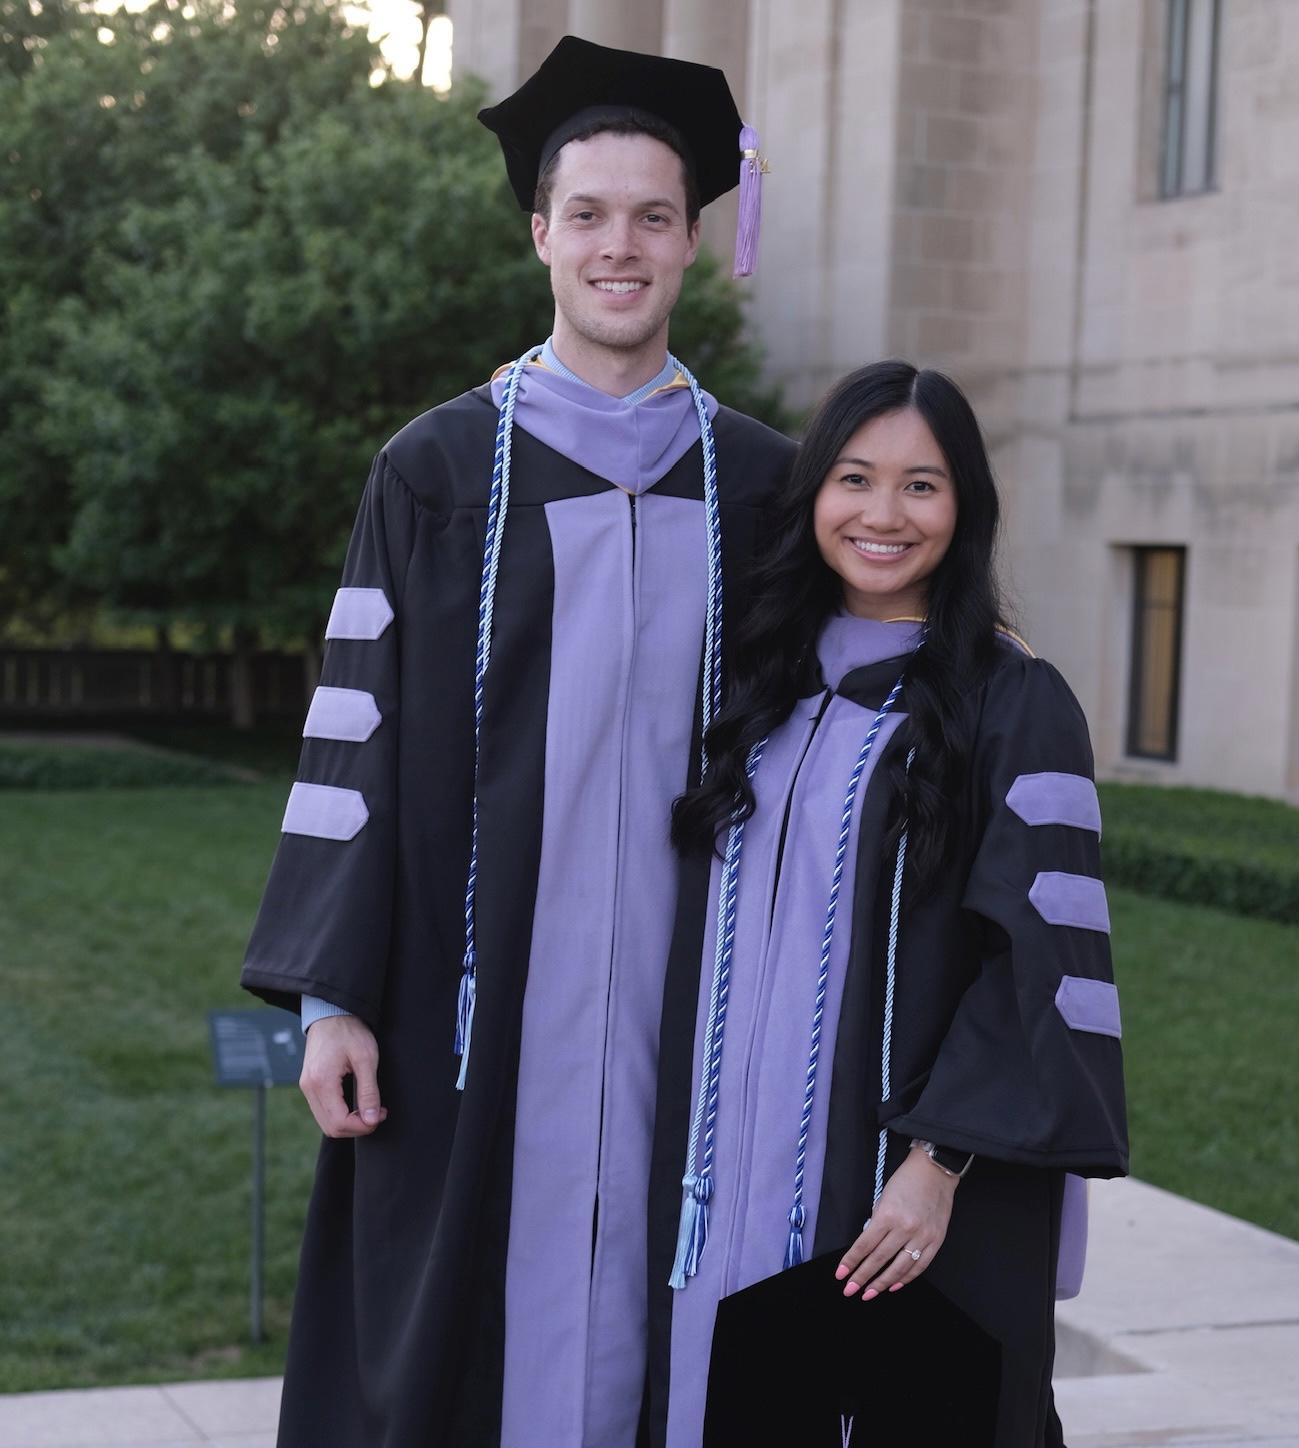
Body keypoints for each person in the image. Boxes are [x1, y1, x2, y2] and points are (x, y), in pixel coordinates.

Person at [239, 35, 794, 1448]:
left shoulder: (764, 485)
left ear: (693, 239)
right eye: (591, 215)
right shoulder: (434, 470)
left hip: (698, 1002)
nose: (622, 246)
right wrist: (330, 998)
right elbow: (352, 735)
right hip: (468, 999)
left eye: (654, 217)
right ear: (541, 231)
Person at [647, 362, 1129, 1447]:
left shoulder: (1010, 701)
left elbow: (1039, 959)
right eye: (853, 478)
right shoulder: (755, 682)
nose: (880, 514)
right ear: (812, 493)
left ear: (964, 510)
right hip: (720, 1182)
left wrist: (934, 1162)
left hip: (890, 1190)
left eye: (921, 485)